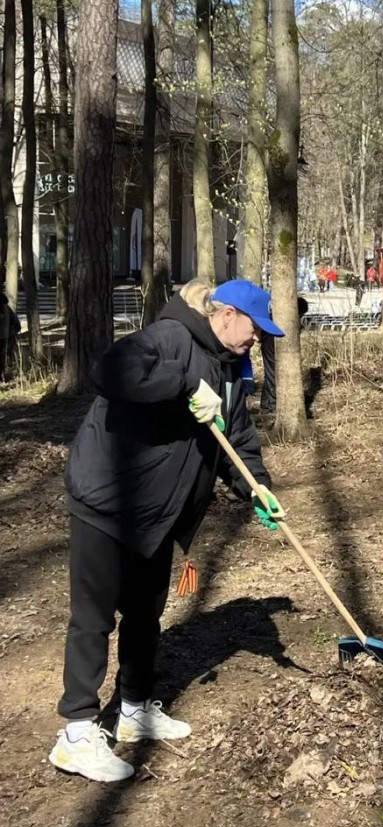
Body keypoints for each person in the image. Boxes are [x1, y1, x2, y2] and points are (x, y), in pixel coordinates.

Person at [49, 278, 287, 782]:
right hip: (109, 499)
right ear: (225, 315)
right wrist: (181, 383)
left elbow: (237, 439)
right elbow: (111, 370)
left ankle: (134, 710)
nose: (257, 341)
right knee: (93, 617)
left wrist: (258, 489)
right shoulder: (170, 337)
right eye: (254, 329)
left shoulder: (230, 370)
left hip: (158, 512)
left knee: (144, 613)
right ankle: (75, 732)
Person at [0, 291, 21, 379]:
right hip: (5, 337)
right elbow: (17, 325)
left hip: (4, 337)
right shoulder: (7, 309)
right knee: (2, 357)